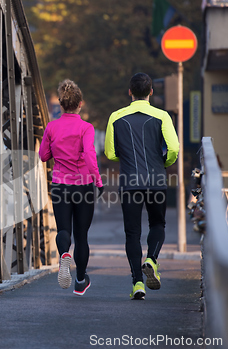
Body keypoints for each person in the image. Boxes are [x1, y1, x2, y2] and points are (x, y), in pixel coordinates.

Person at [104, 73, 179, 300]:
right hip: (156, 179)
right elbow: (173, 148)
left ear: (130, 92)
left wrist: (126, 159)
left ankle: (137, 282)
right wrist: (163, 163)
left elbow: (110, 153)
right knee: (157, 223)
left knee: (132, 233)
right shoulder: (162, 115)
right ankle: (152, 259)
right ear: (151, 92)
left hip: (129, 182)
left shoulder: (116, 117)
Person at [39, 79, 104, 296]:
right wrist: (98, 180)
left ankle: (64, 255)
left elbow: (43, 156)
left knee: (64, 230)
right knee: (82, 235)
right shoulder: (86, 128)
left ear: (61, 103)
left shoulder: (52, 126)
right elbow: (89, 154)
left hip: (59, 185)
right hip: (83, 185)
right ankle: (80, 280)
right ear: (80, 104)